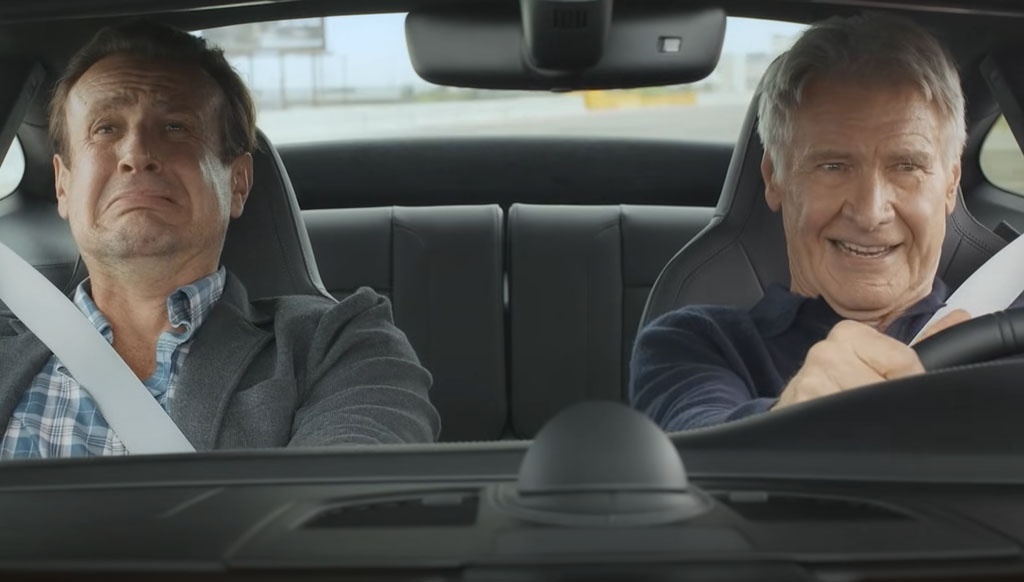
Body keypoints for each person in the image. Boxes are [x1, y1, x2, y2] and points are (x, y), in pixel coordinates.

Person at [0, 21, 440, 457]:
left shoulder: (337, 344)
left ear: (238, 183)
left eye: (175, 127)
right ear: (63, 185)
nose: (136, 154)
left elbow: (346, 492)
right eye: (105, 128)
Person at [629, 13, 993, 431]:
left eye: (907, 166)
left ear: (950, 183)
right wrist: (792, 422)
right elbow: (696, 439)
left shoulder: (1008, 326)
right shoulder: (695, 343)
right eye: (833, 166)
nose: (870, 212)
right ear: (775, 179)